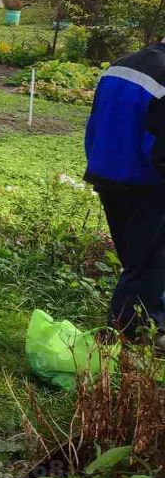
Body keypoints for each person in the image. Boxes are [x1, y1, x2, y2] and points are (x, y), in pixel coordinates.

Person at [84, 37, 165, 348]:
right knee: (143, 264)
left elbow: (94, 125)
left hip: (107, 176)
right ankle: (122, 339)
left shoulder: (119, 66)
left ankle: (151, 324)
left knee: (141, 258)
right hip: (146, 184)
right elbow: (160, 149)